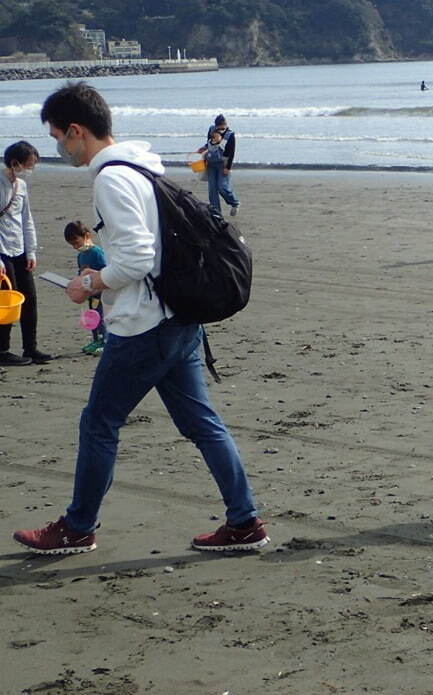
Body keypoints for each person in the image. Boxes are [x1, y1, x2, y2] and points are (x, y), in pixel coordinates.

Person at [12, 82, 268, 555]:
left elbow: (135, 259)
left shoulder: (112, 178)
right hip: (179, 318)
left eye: (56, 137)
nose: (57, 147)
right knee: (201, 423)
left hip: (144, 325)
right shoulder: (142, 168)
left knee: (99, 423)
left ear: (76, 131)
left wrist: (86, 284)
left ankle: (77, 526)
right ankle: (245, 521)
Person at [0, 141, 52, 366]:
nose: (30, 169)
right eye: (29, 165)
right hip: (1, 251)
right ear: (15, 163)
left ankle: (30, 347)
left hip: (19, 248)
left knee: (29, 298)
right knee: (8, 300)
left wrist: (31, 250)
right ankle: (2, 349)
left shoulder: (21, 186)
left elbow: (26, 219)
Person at [64, 219, 108, 355]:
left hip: (101, 293)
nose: (76, 247)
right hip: (90, 293)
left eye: (77, 242)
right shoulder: (81, 256)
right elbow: (80, 274)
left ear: (87, 236)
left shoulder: (96, 253)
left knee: (102, 316)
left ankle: (104, 340)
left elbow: (106, 271)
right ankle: (96, 339)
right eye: (72, 245)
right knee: (92, 317)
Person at [198, 116, 239, 218]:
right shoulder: (211, 130)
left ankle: (234, 203)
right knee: (212, 190)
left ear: (225, 125)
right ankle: (217, 214)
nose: (220, 130)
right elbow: (209, 143)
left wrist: (228, 168)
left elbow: (231, 153)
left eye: (222, 128)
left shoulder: (230, 135)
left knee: (223, 187)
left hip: (223, 164)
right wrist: (203, 148)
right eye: (218, 128)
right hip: (211, 163)